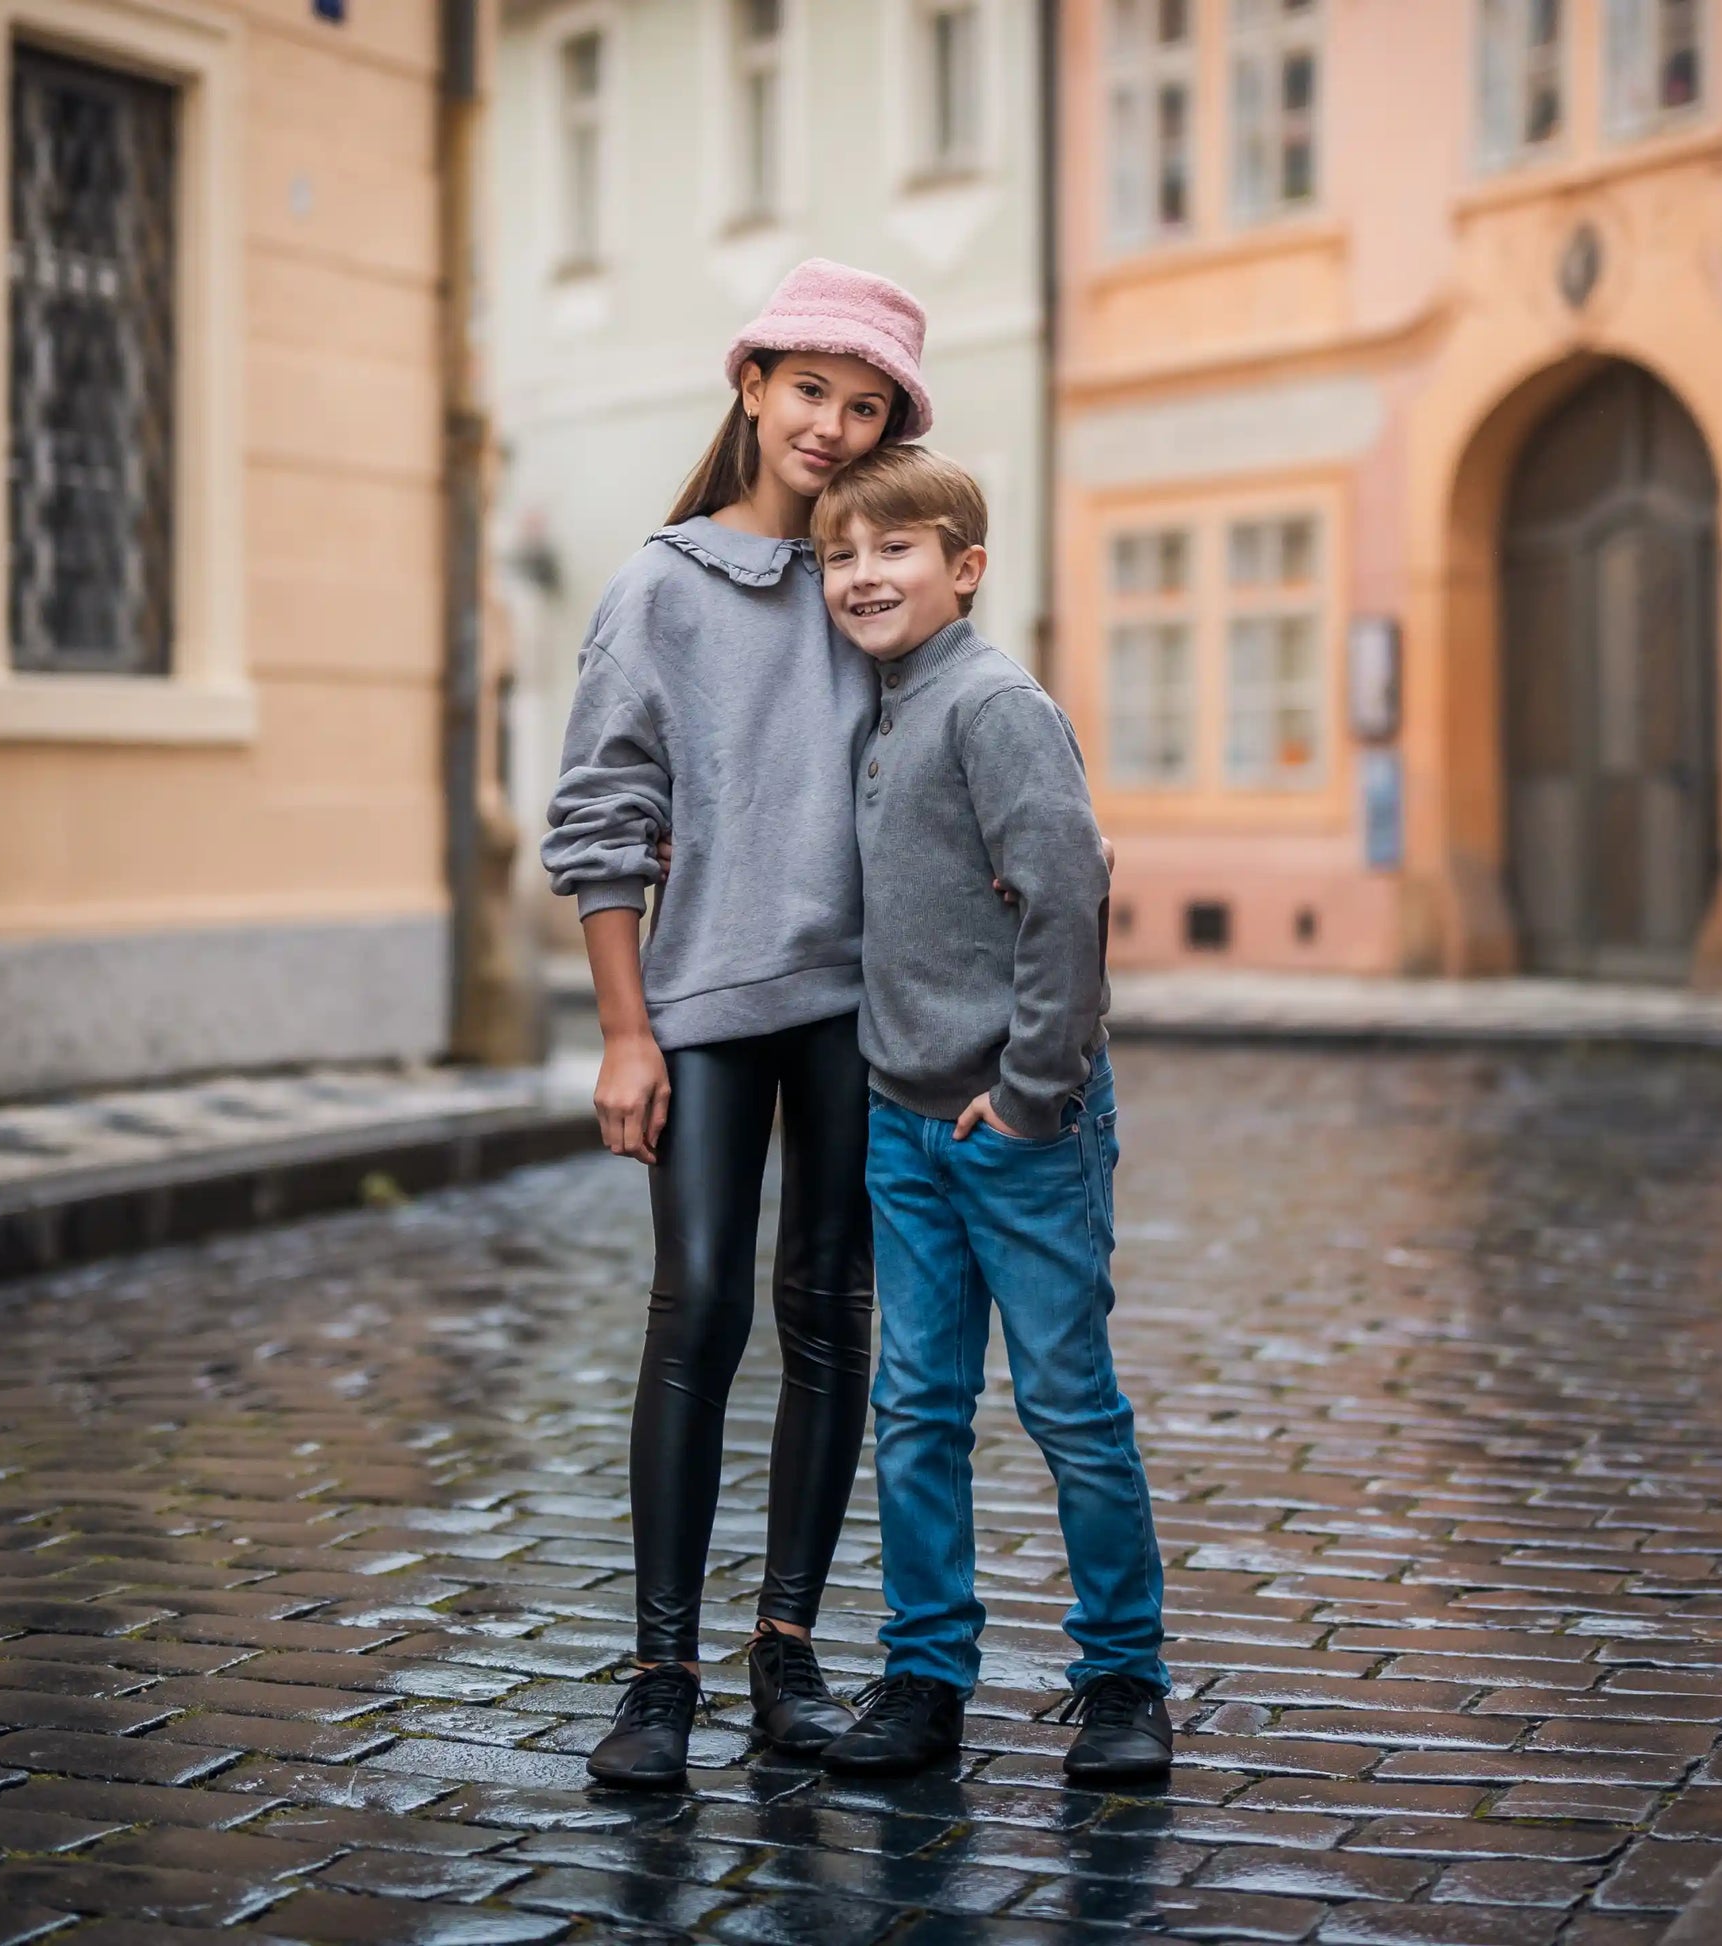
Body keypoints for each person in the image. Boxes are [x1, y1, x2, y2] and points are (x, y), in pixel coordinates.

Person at [539, 260, 933, 1789]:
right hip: (702, 1001)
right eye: (811, 390)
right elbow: (600, 815)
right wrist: (624, 1032)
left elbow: (947, 751)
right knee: (696, 1306)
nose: (831, 425)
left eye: (866, 406)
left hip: (856, 1010)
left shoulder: (870, 584)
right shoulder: (660, 586)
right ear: (753, 385)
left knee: (828, 1312)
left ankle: (785, 1650)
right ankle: (659, 1673)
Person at [807, 444, 1174, 1784]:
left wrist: (1027, 1096)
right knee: (916, 1407)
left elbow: (1068, 895)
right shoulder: (882, 709)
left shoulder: (992, 703)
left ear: (963, 568)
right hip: (902, 1124)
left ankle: (1124, 1678)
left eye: (893, 549)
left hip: (1019, 1129)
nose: (863, 575)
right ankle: (925, 1678)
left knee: (1069, 1403)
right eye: (840, 555)